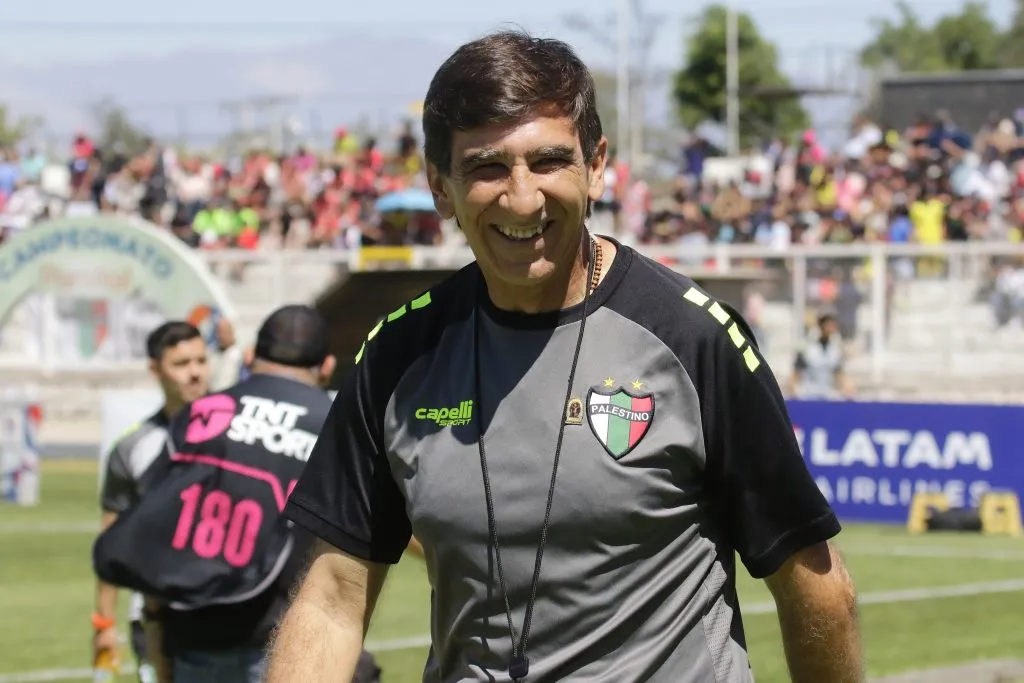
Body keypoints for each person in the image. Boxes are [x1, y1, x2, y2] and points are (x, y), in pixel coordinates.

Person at [267, 30, 863, 683]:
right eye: (488, 166)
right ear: (440, 186)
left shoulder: (693, 339)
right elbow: (330, 600)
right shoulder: (396, 355)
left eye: (548, 160)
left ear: (596, 164)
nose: (522, 197)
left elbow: (817, 589)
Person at [93, 305, 339, 683]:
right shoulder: (333, 422)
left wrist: (155, 635)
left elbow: (164, 532)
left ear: (250, 357)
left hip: (193, 633)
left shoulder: (202, 414)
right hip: (287, 636)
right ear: (326, 366)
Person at [94, 321, 209, 683]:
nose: (194, 373)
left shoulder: (245, 429)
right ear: (155, 369)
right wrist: (103, 622)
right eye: (181, 364)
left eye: (200, 361)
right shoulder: (132, 448)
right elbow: (113, 538)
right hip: (157, 614)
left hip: (234, 606)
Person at [788, 308, 856, 400]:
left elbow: (839, 374)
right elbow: (795, 374)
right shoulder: (806, 347)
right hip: (807, 396)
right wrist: (794, 394)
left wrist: (848, 388)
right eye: (827, 323)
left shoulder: (835, 350)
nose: (830, 327)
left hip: (827, 396)